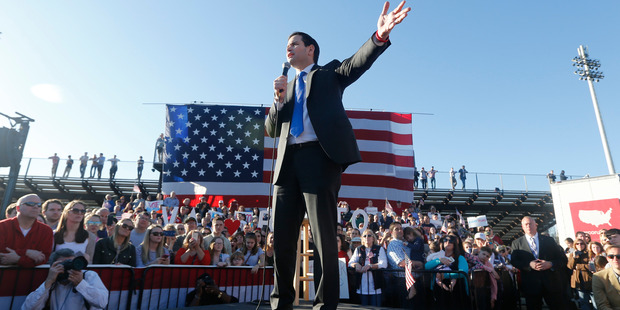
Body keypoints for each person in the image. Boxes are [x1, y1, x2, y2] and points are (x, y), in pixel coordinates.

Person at [265, 3, 410, 309]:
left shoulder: (329, 72)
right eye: (286, 46)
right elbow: (270, 129)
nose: (288, 49)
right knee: (283, 241)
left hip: (319, 161)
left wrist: (380, 36)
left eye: (294, 44)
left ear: (310, 49)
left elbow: (356, 63)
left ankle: (324, 305)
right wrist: (278, 101)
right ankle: (281, 303)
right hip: (287, 166)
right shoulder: (286, 89)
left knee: (323, 240)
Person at [21, 249, 108, 310]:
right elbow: (28, 307)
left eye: (71, 263)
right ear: (53, 267)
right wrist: (48, 282)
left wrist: (81, 284)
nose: (69, 268)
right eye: (64, 264)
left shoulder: (88, 276)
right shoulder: (52, 280)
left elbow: (102, 302)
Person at [511, 216, 568, 310]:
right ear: (522, 227)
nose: (528, 226)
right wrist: (529, 265)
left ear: (535, 225)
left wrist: (551, 264)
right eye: (526, 224)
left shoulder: (549, 240)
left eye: (530, 224)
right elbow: (514, 261)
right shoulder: (516, 243)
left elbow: (562, 259)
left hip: (551, 283)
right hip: (531, 285)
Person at [0, 194, 53, 267]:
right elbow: (2, 255)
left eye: (39, 205)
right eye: (30, 204)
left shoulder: (46, 231)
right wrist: (27, 252)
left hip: (33, 277)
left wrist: (18, 259)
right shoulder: (2, 226)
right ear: (18, 208)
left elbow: (42, 258)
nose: (35, 207)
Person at [348, 229, 387, 306]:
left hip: (375, 287)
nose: (367, 237)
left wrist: (370, 266)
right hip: (362, 287)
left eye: (369, 235)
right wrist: (356, 264)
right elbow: (350, 262)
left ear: (373, 238)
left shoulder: (379, 249)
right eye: (364, 236)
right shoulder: (359, 249)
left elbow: (384, 263)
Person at [567, 239, 595, 310]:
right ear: (575, 245)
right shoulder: (572, 254)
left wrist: (578, 267)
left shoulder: (589, 253)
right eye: (577, 244)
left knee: (595, 302)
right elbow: (570, 266)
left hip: (590, 280)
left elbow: (590, 266)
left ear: (585, 245)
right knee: (583, 302)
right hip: (579, 281)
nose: (579, 245)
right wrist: (574, 257)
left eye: (581, 243)